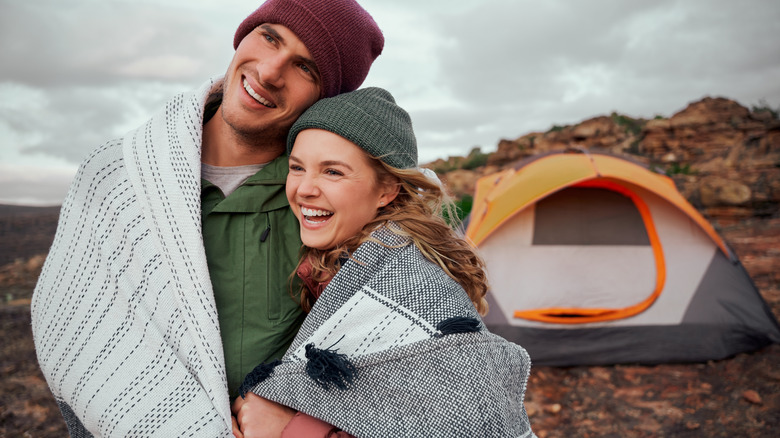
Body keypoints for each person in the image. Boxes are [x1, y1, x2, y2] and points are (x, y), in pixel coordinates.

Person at [30, 0, 383, 436]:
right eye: (269, 37)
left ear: (323, 101)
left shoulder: (327, 206)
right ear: (243, 35)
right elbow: (70, 331)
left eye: (304, 68)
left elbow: (385, 359)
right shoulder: (115, 174)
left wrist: (298, 420)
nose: (270, 71)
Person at [233, 88, 536, 437]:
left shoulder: (418, 283)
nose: (304, 189)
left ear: (387, 190)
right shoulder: (330, 263)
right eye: (297, 168)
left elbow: (474, 420)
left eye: (332, 172)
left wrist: (288, 427)